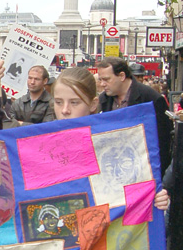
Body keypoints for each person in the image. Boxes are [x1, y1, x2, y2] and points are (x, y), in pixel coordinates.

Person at [52, 67, 170, 211]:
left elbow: (131, 190)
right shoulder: (40, 148)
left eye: (74, 102)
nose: (65, 110)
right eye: (58, 102)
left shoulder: (114, 146)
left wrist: (156, 198)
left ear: (93, 104)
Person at [97, 56, 172, 174]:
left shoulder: (151, 98)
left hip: (144, 169)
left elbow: (163, 141)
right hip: (114, 170)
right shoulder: (103, 100)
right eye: (100, 80)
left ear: (122, 76)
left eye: (106, 79)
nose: (102, 84)